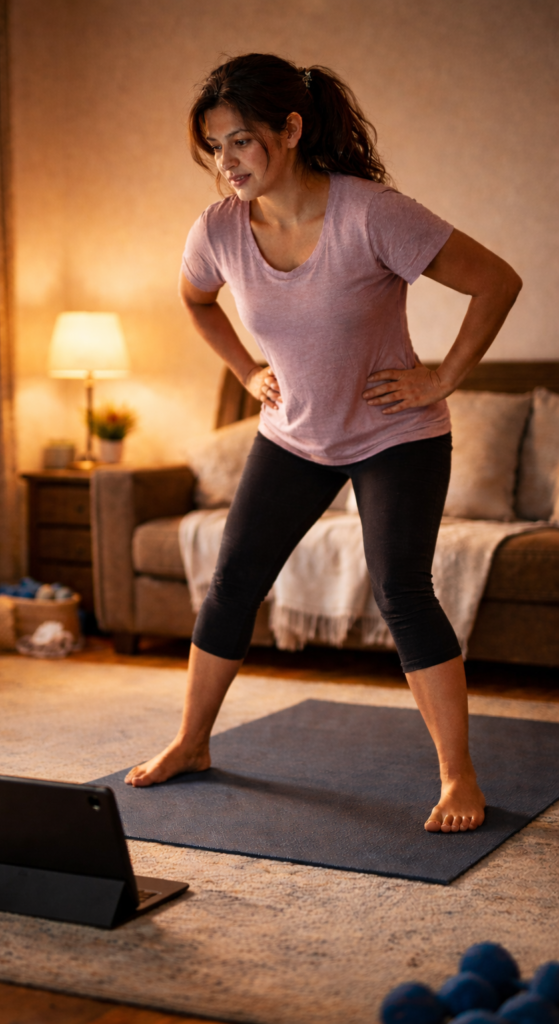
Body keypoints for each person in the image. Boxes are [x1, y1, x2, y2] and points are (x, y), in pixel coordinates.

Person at [124, 53, 522, 833]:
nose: (225, 163)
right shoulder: (218, 230)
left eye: (239, 141)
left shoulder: (372, 214)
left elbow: (497, 280)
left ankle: (456, 774)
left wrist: (441, 377)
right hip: (294, 434)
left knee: (401, 591)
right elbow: (195, 301)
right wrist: (244, 369)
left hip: (393, 435)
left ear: (290, 129)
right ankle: (191, 741)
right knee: (234, 578)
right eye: (214, 148)